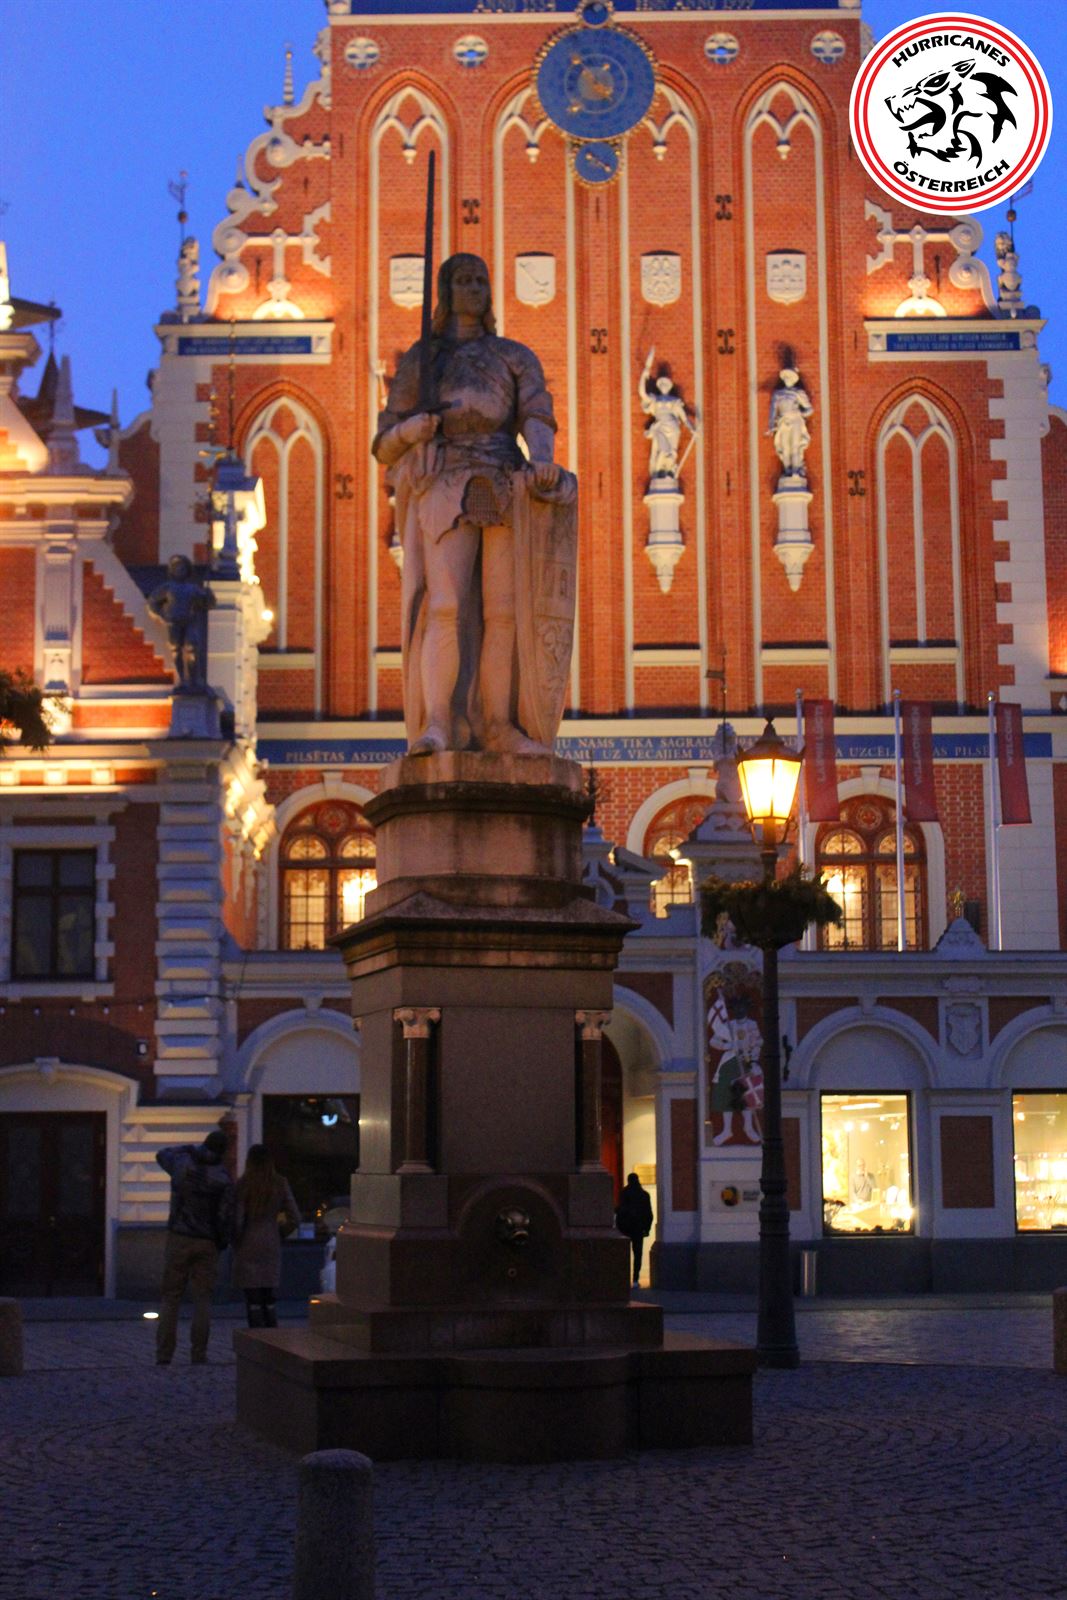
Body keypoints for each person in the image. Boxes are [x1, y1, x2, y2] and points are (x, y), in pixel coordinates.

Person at [372, 252, 577, 757]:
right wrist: (412, 430)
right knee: (445, 605)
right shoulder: (424, 361)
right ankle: (438, 723)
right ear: (445, 292)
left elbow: (536, 412)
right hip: (446, 478)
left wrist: (542, 459)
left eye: (480, 280)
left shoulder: (513, 356)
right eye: (462, 280)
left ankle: (498, 725)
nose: (474, 288)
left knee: (503, 612)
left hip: (504, 480)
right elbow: (384, 443)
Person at [155, 1128, 235, 1366]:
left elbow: (161, 1154)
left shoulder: (182, 1164)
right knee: (203, 1300)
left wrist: (189, 1148)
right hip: (207, 1242)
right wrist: (223, 1241)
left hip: (179, 1236)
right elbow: (225, 1215)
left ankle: (164, 1354)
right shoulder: (223, 1177)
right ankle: (198, 1354)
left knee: (171, 1298)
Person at [231, 1144, 301, 1329]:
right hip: (271, 1241)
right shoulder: (280, 1183)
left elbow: (238, 1220)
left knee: (252, 1297)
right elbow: (295, 1217)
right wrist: (281, 1233)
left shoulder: (243, 1184)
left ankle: (256, 1334)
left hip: (247, 1241)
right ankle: (272, 1334)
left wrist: (235, 1240)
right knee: (268, 1295)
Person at [615, 1172, 654, 1286]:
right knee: (638, 1254)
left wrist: (618, 1225)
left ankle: (623, 1277)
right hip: (638, 1228)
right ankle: (636, 1279)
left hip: (625, 1228)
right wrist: (647, 1229)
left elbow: (621, 1210)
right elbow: (649, 1214)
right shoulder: (644, 1195)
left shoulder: (624, 1193)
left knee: (624, 1253)